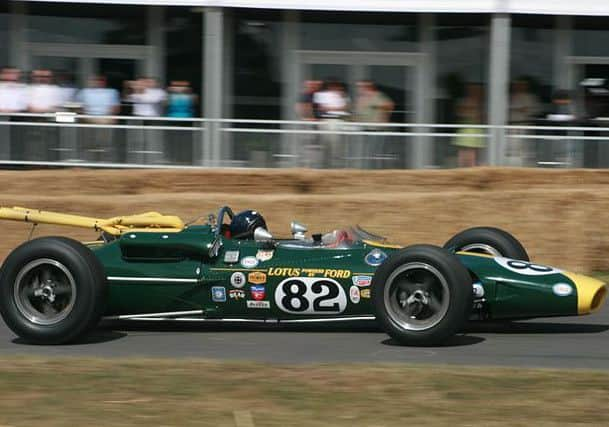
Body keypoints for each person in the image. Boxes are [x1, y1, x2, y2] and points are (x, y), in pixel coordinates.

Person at [76, 75, 121, 162]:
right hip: (88, 119)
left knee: (105, 143)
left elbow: (116, 107)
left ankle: (105, 162)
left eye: (101, 80)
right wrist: (84, 116)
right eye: (95, 80)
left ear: (105, 81)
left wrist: (108, 117)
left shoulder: (112, 92)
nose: (98, 82)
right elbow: (78, 106)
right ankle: (87, 162)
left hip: (105, 119)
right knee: (88, 143)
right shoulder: (84, 91)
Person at [354, 80, 394, 168]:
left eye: (361, 87)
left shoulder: (377, 96)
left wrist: (383, 115)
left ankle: (376, 169)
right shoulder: (361, 98)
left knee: (375, 151)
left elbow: (389, 105)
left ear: (368, 87)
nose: (359, 89)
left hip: (377, 128)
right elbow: (358, 113)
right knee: (366, 151)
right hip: (364, 128)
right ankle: (366, 168)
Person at [313, 79, 350, 168]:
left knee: (338, 146)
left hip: (340, 121)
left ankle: (337, 166)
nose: (336, 88)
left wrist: (332, 108)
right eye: (333, 86)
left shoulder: (344, 96)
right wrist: (336, 108)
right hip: (326, 121)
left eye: (337, 86)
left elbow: (345, 108)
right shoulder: (321, 95)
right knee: (325, 144)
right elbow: (323, 108)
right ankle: (324, 165)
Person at [453, 83, 485, 167]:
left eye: (476, 90)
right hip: (465, 131)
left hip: (475, 131)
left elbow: (479, 118)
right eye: (472, 90)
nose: (474, 92)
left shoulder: (481, 103)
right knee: (462, 155)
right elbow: (460, 113)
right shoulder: (464, 101)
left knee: (473, 156)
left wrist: (471, 111)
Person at [0, 67, 28, 160]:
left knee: (16, 141)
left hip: (16, 118)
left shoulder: (22, 88)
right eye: (9, 73)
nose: (12, 75)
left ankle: (16, 162)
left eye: (15, 73)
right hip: (1, 117)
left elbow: (24, 104)